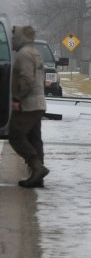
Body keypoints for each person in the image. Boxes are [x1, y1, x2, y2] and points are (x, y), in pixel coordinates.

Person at [9, 25, 49, 188]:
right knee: (34, 139)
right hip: (39, 103)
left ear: (20, 38)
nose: (12, 40)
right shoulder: (35, 52)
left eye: (14, 38)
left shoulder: (23, 55)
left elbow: (27, 79)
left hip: (29, 104)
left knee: (16, 136)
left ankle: (37, 168)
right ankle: (37, 178)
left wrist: (17, 98)